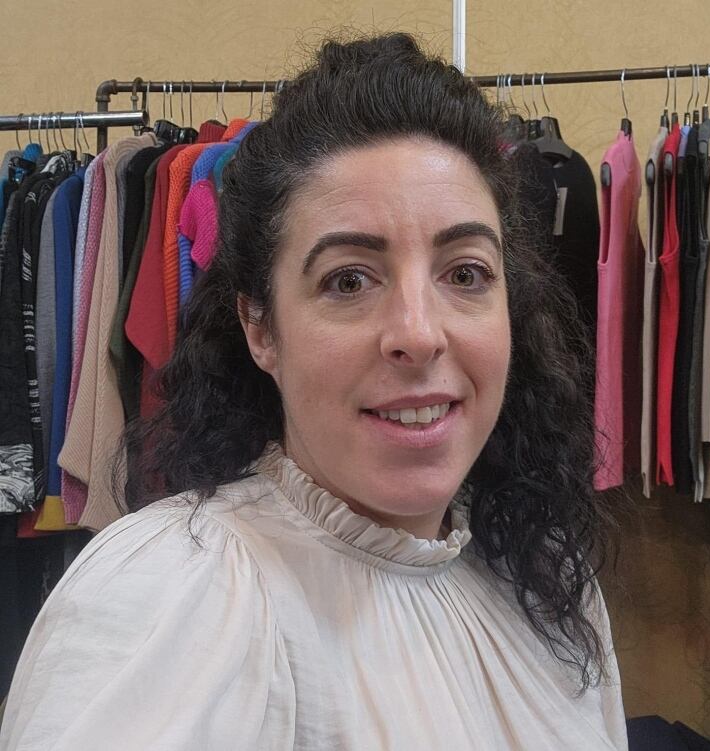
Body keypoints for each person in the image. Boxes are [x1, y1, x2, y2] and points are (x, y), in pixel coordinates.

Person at [0, 33, 628, 750]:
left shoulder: (547, 587)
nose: (419, 334)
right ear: (260, 326)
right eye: (349, 280)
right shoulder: (175, 600)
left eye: (465, 273)